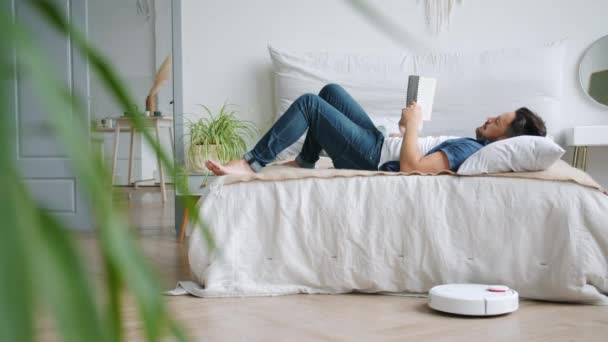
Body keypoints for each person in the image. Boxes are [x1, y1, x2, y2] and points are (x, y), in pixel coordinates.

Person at [205, 83, 547, 176]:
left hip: (371, 158)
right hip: (383, 144)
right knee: (331, 92)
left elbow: (413, 168)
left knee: (311, 103)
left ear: (505, 139)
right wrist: (405, 130)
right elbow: (413, 152)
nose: (489, 118)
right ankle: (306, 160)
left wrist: (413, 125)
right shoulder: (474, 143)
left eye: (497, 122)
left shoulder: (473, 152)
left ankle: (251, 163)